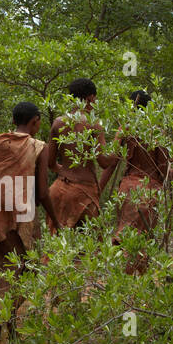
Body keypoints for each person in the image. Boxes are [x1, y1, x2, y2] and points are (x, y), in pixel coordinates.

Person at [0, 101, 58, 344]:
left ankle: (3, 334)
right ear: (35, 121)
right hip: (19, 221)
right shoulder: (38, 147)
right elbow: (42, 192)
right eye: (39, 123)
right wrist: (56, 220)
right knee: (14, 277)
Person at [47, 78, 119, 231]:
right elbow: (104, 162)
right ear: (90, 98)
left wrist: (67, 174)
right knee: (92, 247)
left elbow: (50, 163)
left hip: (57, 190)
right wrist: (119, 137)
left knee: (56, 248)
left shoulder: (58, 122)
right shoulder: (93, 124)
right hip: (83, 194)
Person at [112, 90, 168, 272]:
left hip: (126, 188)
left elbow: (110, 157)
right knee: (142, 238)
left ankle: (131, 286)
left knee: (126, 234)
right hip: (149, 189)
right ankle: (132, 284)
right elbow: (164, 167)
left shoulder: (125, 129)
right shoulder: (156, 130)